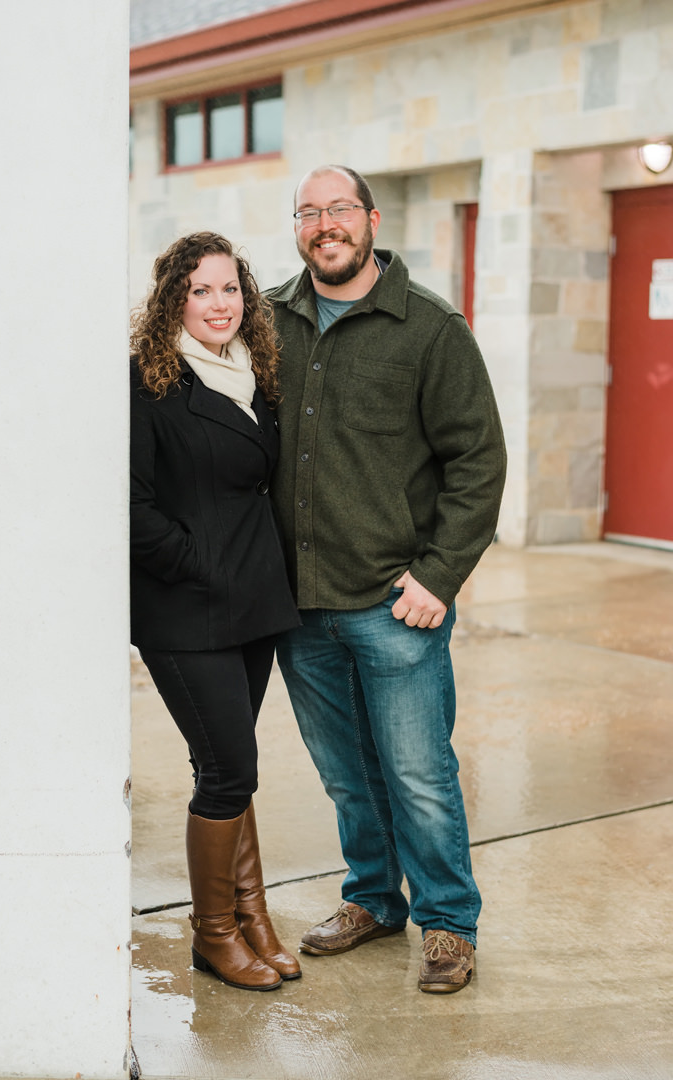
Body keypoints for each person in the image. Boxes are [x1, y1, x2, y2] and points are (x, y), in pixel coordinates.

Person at [267, 166, 507, 994]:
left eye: (339, 210)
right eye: (309, 213)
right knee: (345, 774)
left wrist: (438, 576)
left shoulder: (430, 328)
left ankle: (449, 923)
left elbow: (478, 460)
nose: (324, 225)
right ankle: (373, 898)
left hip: (395, 605)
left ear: (371, 219)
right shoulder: (269, 320)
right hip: (299, 607)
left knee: (417, 772)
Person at [129, 232, 302, 992]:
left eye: (230, 288)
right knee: (231, 767)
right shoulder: (146, 382)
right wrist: (196, 563)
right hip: (186, 611)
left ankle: (252, 916)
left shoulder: (254, 374)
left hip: (254, 603)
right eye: (201, 290)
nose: (219, 304)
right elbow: (128, 509)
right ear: (175, 299)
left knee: (227, 766)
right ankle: (214, 934)